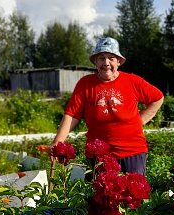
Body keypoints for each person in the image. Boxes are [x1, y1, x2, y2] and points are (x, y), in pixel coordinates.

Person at [49, 37, 164, 175]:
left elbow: (157, 98)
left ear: (119, 61)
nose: (106, 63)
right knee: (101, 194)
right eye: (101, 58)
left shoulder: (132, 81)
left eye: (111, 58)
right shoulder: (85, 84)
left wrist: (139, 121)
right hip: (98, 155)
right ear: (95, 62)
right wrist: (58, 142)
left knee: (132, 194)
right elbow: (72, 114)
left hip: (132, 152)